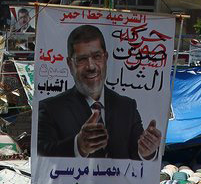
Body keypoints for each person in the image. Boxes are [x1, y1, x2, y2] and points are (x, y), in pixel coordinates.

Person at [37, 25, 162, 160]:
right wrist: (78, 146)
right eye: (82, 59)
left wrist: (148, 151)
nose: (91, 66)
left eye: (97, 56)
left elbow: (136, 153)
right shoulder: (50, 109)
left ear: (106, 58)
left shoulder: (126, 106)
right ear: (69, 64)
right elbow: (42, 156)